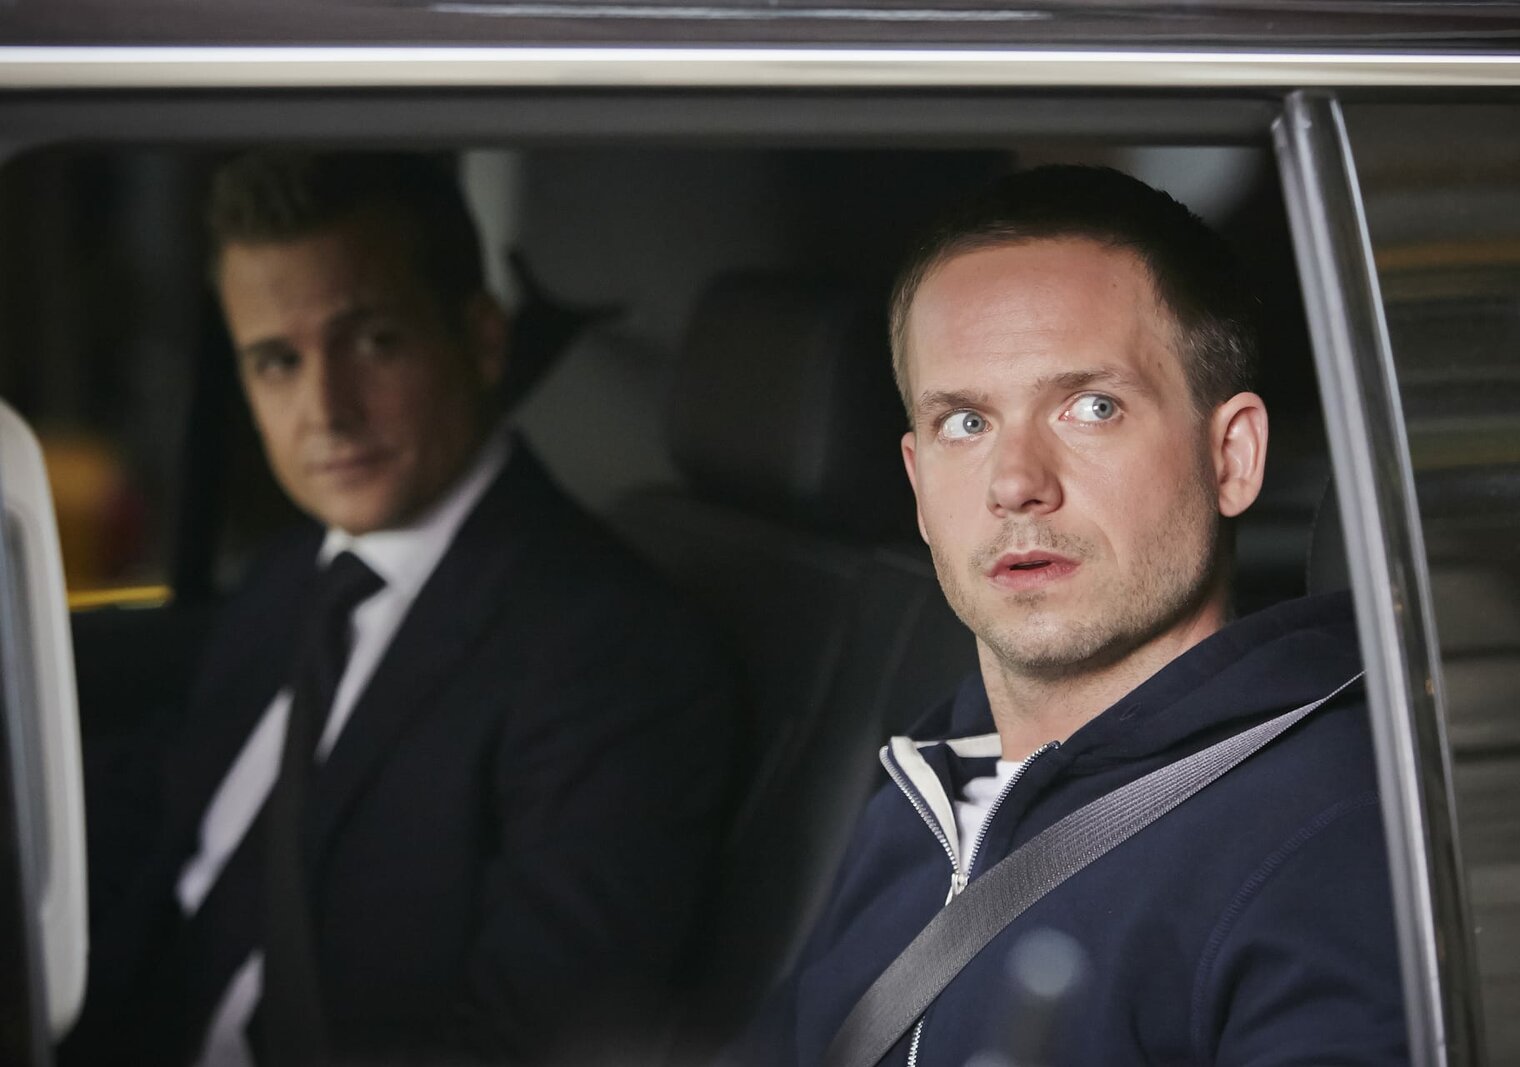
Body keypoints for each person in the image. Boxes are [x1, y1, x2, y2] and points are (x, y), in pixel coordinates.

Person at [63, 151, 734, 1066]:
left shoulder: (614, 656)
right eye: (277, 362)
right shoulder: (294, 572)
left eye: (374, 341)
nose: (326, 411)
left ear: (482, 339)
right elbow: (164, 803)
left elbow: (529, 1045)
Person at [733, 166, 1406, 1065]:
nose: (1016, 482)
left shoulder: (1331, 835)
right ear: (918, 486)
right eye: (965, 423)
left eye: (1092, 408)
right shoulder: (926, 789)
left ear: (1232, 457)